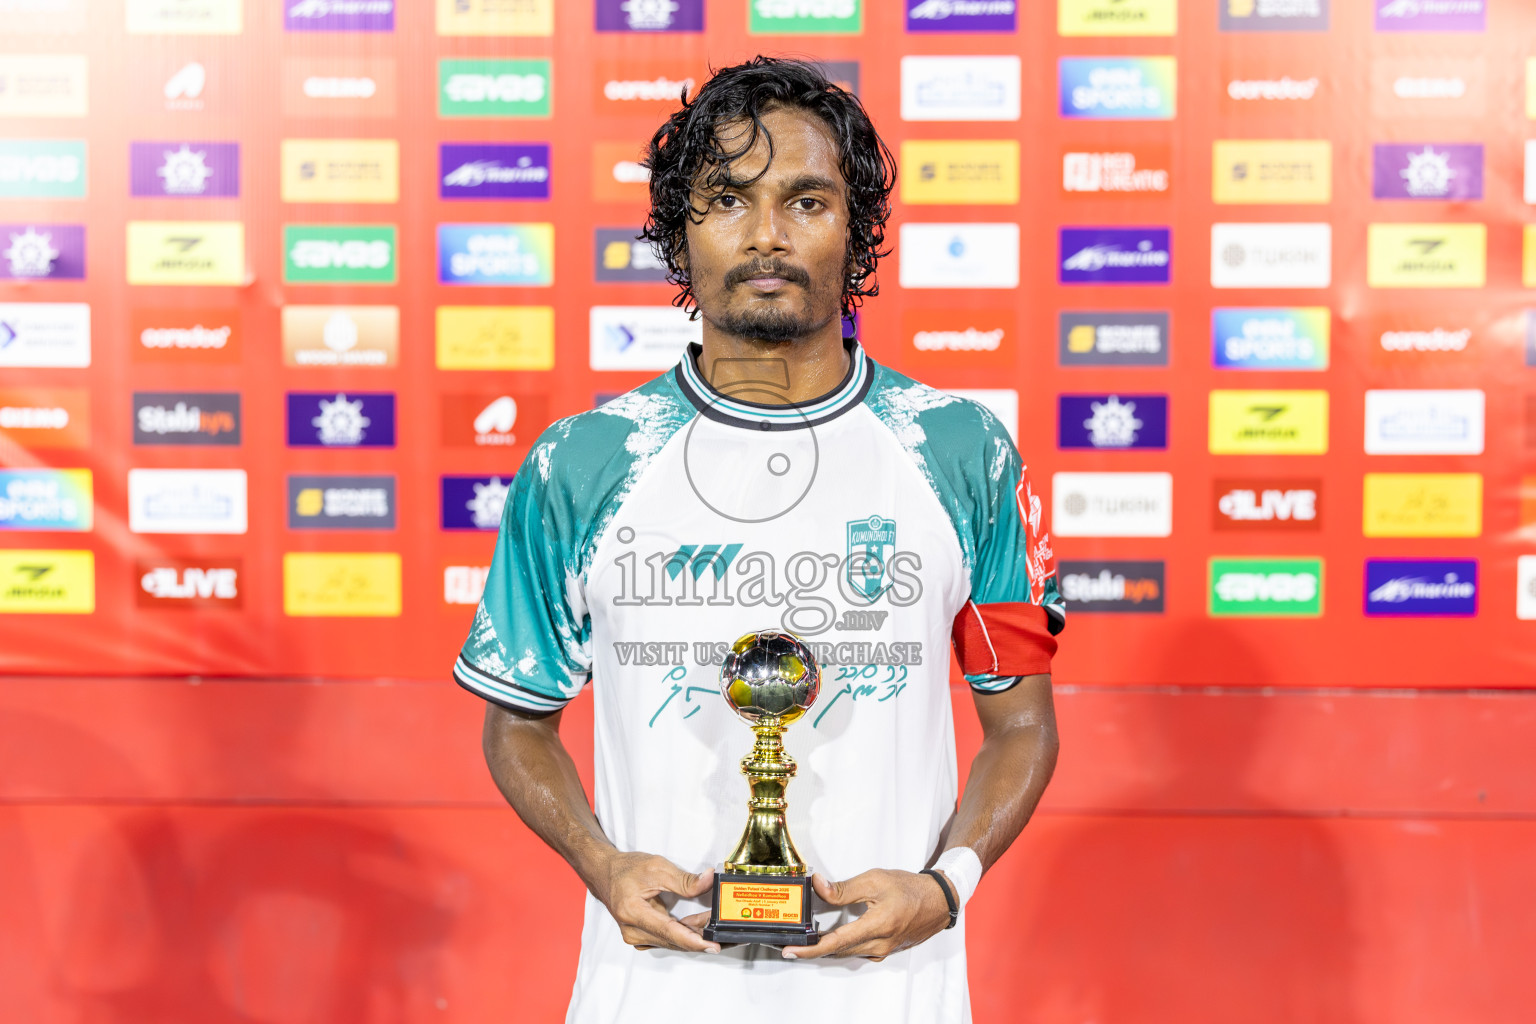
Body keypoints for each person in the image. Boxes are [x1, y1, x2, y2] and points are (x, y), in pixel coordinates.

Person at [456, 56, 1063, 1024]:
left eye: (808, 200)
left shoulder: (962, 451)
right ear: (677, 230)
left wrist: (946, 886)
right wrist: (602, 864)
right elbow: (518, 719)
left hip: (890, 995)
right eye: (728, 199)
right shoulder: (581, 461)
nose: (767, 235)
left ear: (856, 229)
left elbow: (1021, 723)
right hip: (648, 997)